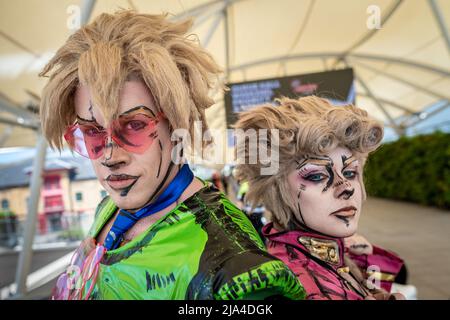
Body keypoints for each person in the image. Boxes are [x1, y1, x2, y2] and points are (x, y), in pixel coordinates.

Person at [39, 10, 305, 300]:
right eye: (91, 131)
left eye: (135, 125)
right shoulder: (109, 208)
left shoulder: (231, 270)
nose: (110, 156)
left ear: (177, 123)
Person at [234, 96, 405, 300]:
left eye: (350, 172)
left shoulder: (332, 253)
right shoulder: (291, 286)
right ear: (276, 188)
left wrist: (362, 258)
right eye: (317, 176)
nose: (346, 188)